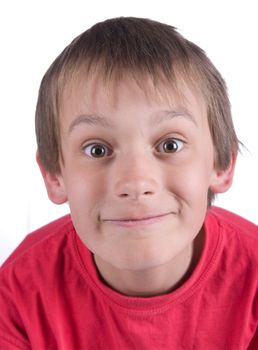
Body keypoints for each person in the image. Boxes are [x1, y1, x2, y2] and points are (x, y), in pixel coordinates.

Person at [0, 17, 257, 350]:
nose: (135, 182)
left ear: (222, 164)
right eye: (97, 149)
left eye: (170, 145)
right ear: (54, 176)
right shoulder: (19, 291)